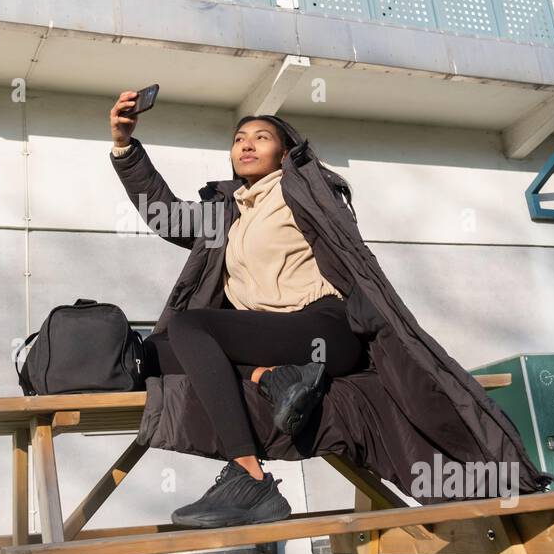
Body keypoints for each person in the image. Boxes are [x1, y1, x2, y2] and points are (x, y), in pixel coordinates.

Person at [109, 91, 369, 529]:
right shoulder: (226, 212)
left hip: (325, 330)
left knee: (192, 325)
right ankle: (269, 377)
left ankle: (248, 475)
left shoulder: (304, 194)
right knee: (157, 351)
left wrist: (302, 170)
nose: (246, 145)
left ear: (285, 152)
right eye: (239, 138)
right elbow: (166, 217)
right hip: (268, 340)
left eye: (261, 137)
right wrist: (124, 145)